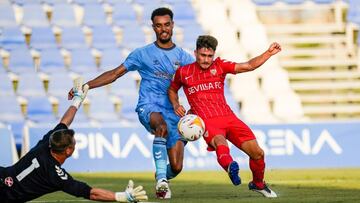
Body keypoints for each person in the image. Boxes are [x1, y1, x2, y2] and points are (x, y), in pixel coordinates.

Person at [67, 7, 194, 199]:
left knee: (176, 167)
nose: (163, 29)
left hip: (173, 112)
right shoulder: (142, 54)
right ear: (153, 28)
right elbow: (115, 73)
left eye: (167, 25)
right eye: (158, 26)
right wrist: (87, 85)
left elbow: (197, 84)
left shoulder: (184, 58)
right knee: (160, 127)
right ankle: (161, 181)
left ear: (173, 25)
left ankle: (164, 177)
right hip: (149, 106)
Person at [168, 35, 281, 198]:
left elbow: (248, 65)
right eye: (202, 55)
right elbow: (172, 90)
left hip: (229, 117)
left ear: (213, 55)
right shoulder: (183, 72)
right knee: (220, 142)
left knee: (258, 154)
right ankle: (231, 167)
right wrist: (176, 105)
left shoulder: (220, 66)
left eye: (209, 56)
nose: (206, 60)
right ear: (195, 53)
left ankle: (258, 183)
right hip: (206, 120)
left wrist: (268, 53)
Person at [0, 80, 148, 202]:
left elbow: (65, 122)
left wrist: (77, 100)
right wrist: (122, 197)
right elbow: (90, 193)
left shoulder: (46, 143)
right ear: (68, 150)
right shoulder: (56, 175)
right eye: (74, 143)